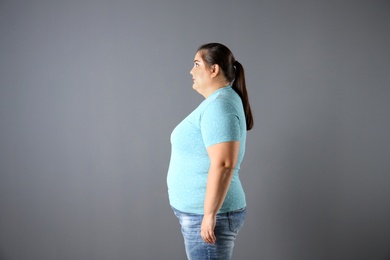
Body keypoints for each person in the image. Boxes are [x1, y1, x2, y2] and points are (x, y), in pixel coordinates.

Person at [167, 43, 253, 260]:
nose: (191, 71)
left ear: (213, 69)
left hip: (209, 217)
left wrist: (209, 214)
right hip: (202, 215)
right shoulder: (218, 102)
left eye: (197, 64)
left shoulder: (220, 106)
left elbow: (224, 163)